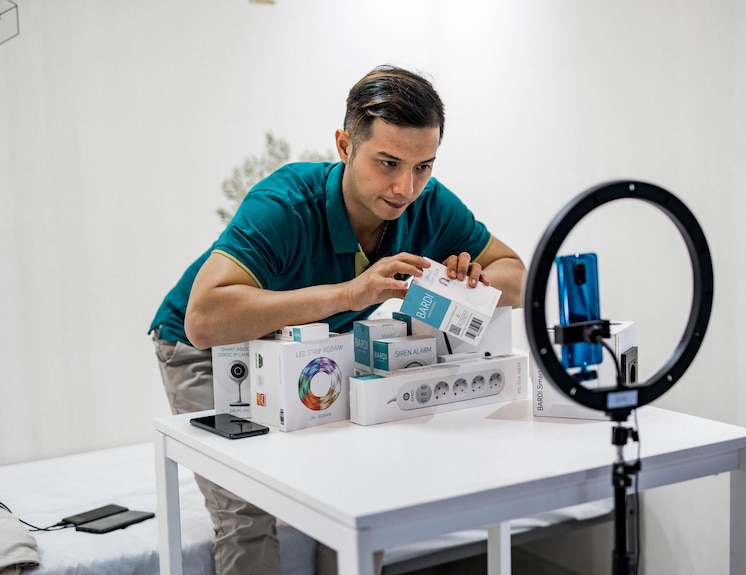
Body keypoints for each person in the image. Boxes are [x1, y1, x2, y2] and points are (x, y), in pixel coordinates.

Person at [149, 65, 525, 574]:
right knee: (247, 511)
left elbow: (517, 276)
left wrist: (464, 281)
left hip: (315, 344)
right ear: (345, 146)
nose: (404, 188)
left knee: (357, 489)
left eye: (423, 166)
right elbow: (205, 319)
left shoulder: (428, 205)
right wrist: (349, 294)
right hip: (210, 351)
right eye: (387, 163)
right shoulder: (284, 203)